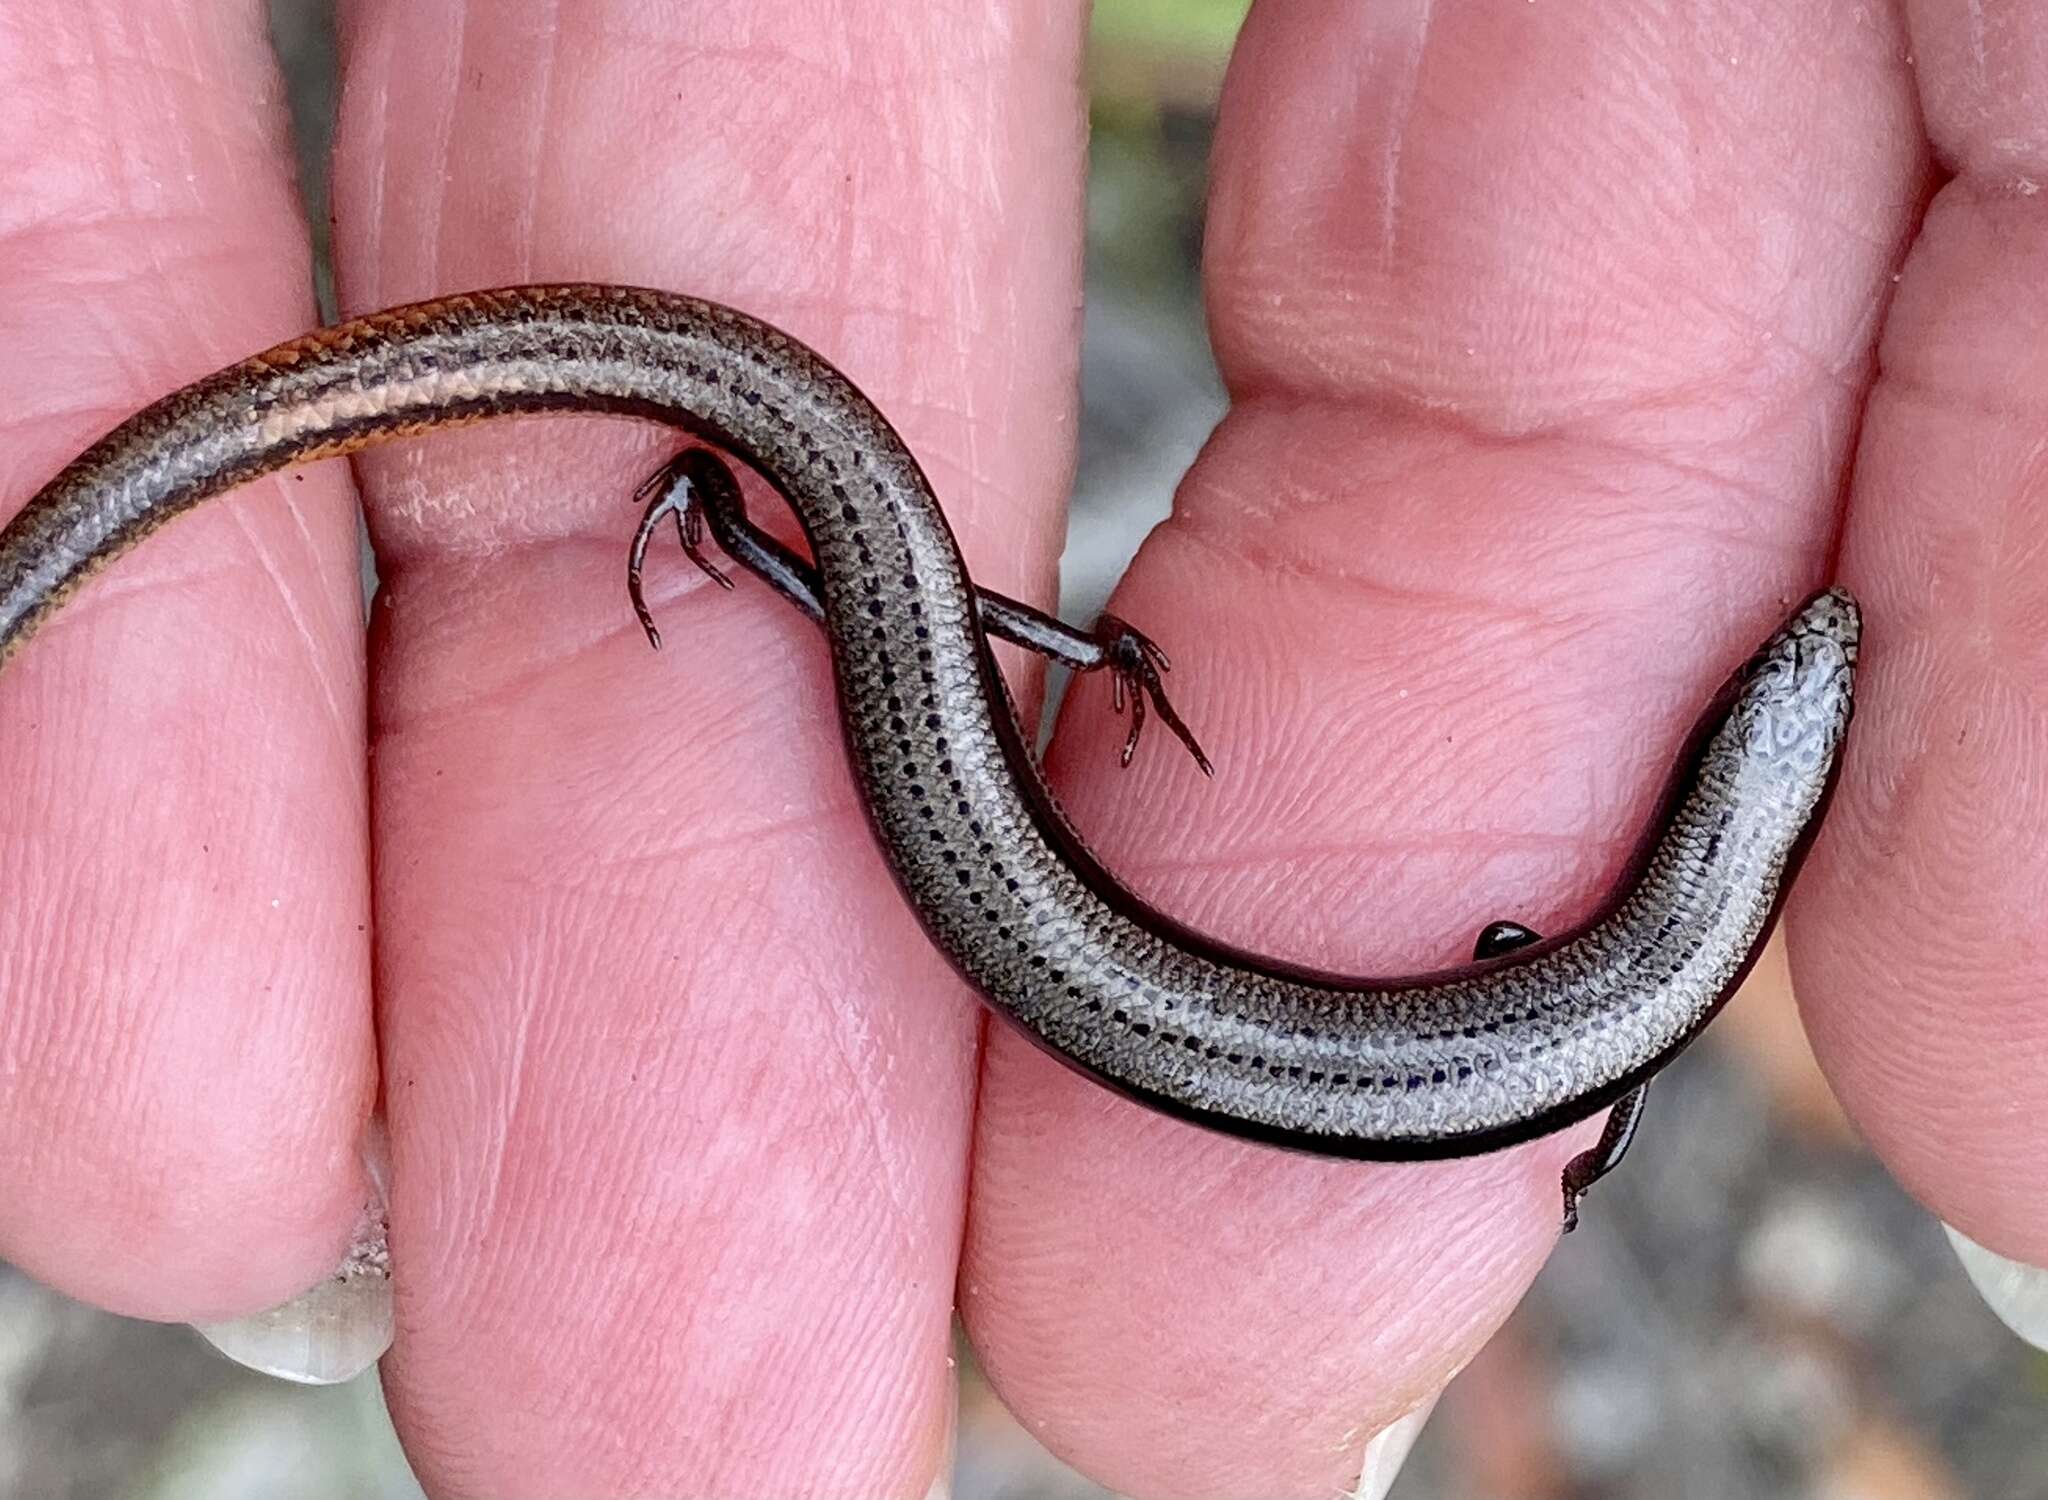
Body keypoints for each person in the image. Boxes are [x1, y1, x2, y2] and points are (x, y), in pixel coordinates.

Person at [1, 3, 2041, 1497]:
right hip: (1044, 905)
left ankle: (737, 515)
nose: (1794, 654)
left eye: (1775, 688)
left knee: (916, 664)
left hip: (1027, 897)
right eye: (1780, 675)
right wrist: (1572, 1123)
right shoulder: (1616, 1026)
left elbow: (1529, 946)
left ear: (1726, 775)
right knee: (901, 642)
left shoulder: (1600, 989)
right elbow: (1553, 1020)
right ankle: (739, 515)